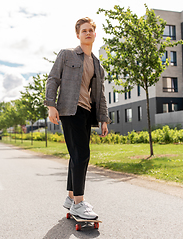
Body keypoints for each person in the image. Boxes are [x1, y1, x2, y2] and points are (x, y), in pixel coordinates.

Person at [44, 17, 111, 220]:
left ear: (95, 34)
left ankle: (71, 197)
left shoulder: (98, 65)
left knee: (78, 155)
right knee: (82, 154)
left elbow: (100, 94)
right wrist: (51, 106)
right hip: (68, 110)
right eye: (84, 30)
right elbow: (53, 79)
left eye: (91, 30)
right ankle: (79, 203)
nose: (88, 33)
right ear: (78, 34)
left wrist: (103, 119)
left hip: (85, 112)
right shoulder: (67, 55)